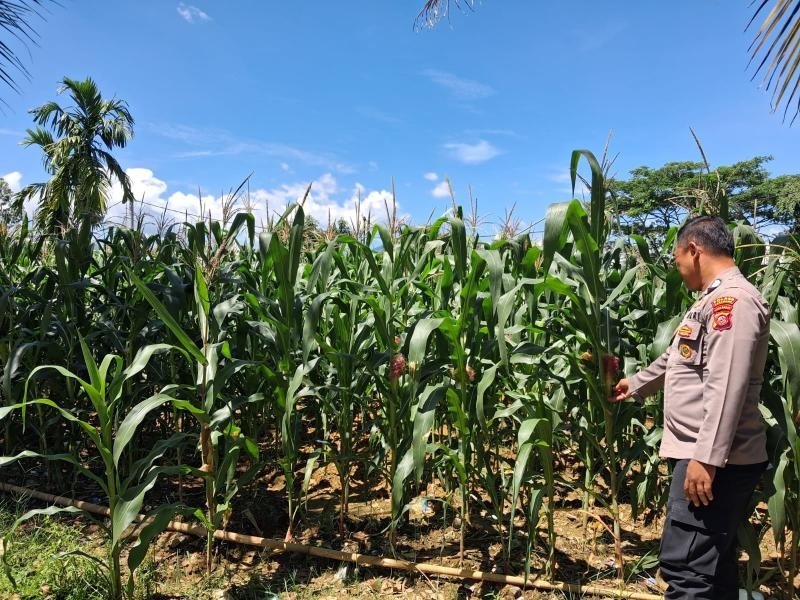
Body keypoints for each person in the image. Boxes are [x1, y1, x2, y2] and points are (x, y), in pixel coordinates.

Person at [611, 215, 769, 600]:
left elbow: (727, 383)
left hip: (714, 459)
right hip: (710, 456)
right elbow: (676, 358)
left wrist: (706, 459)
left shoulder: (733, 303)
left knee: (687, 569)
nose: (678, 269)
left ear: (693, 250)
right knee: (714, 567)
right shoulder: (709, 302)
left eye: (677, 259)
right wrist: (633, 385)